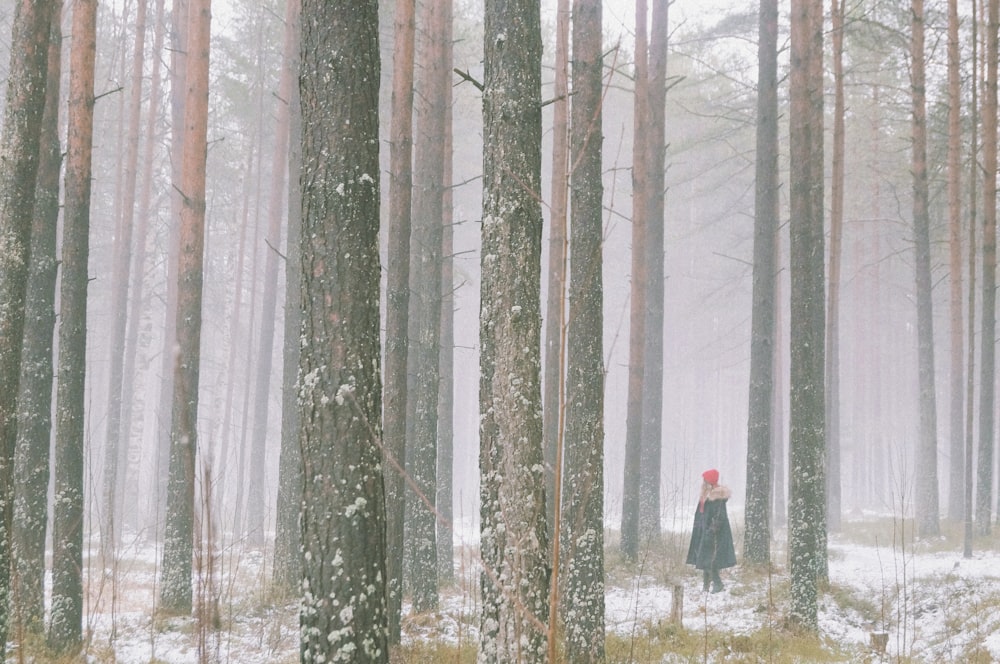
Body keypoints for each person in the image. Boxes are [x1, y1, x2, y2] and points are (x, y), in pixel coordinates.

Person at [685, 468, 736, 593]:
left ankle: (718, 584)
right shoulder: (706, 496)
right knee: (704, 557)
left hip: (714, 534)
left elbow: (719, 517)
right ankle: (706, 586)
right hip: (704, 531)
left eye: (705, 481)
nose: (703, 483)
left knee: (710, 559)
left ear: (710, 482)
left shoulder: (717, 497)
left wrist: (710, 532)